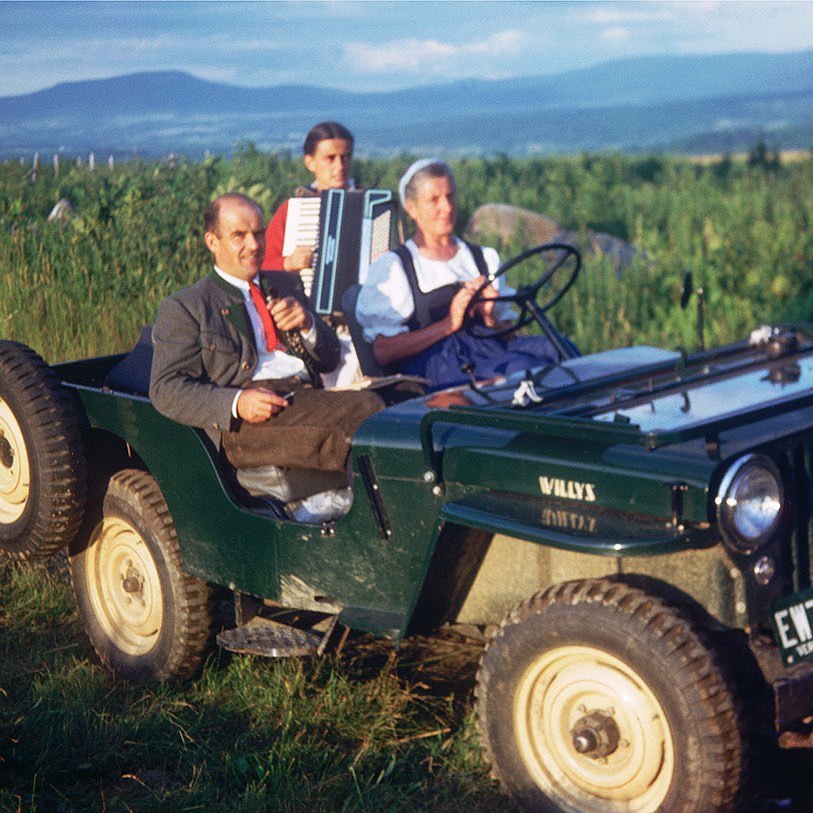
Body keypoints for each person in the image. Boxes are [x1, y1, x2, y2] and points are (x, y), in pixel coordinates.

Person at [150, 193, 383, 521]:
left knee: (408, 398)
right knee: (368, 412)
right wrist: (236, 402)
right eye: (239, 236)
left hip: (307, 398)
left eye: (258, 233)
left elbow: (330, 360)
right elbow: (166, 389)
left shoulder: (285, 284)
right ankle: (371, 523)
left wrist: (308, 325)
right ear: (212, 242)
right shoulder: (188, 306)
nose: (254, 244)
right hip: (248, 424)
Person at [355, 159, 564, 390]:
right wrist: (449, 323)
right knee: (523, 370)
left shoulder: (482, 258)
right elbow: (383, 352)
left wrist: (490, 318)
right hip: (437, 363)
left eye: (450, 196)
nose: (447, 207)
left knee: (559, 350)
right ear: (412, 208)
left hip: (488, 349)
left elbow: (507, 336)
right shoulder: (396, 267)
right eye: (434, 200)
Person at [262, 120, 355, 273]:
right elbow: (261, 265)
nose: (340, 166)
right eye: (330, 158)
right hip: (304, 296)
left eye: (345, 157)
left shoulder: (371, 205)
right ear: (310, 162)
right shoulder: (292, 210)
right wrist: (288, 263)